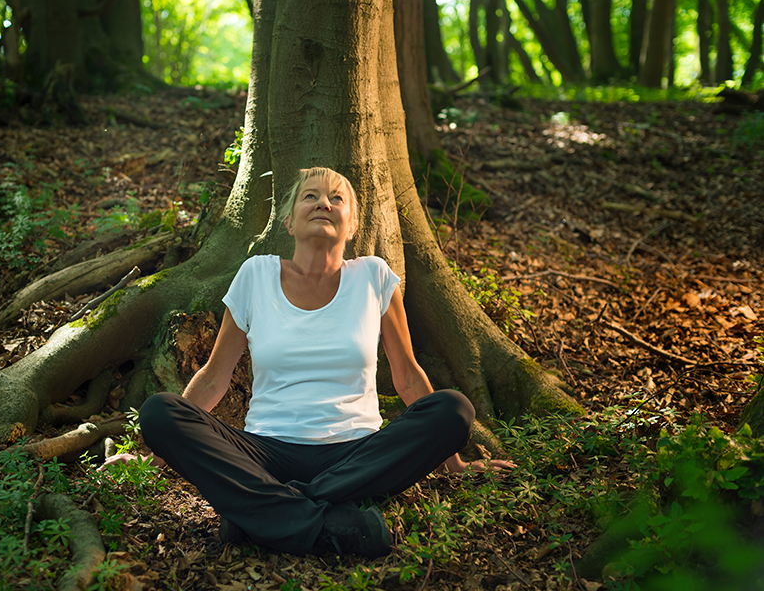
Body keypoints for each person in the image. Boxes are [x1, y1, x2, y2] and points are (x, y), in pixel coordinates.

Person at [106, 167, 512, 557]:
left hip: (356, 452)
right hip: (266, 452)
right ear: (288, 220)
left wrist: (454, 463)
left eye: (337, 198)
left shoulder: (374, 277)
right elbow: (214, 378)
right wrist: (154, 454)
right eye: (310, 196)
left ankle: (259, 516)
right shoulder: (255, 275)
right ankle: (329, 522)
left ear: (351, 225)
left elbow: (407, 377)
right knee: (160, 411)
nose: (324, 202)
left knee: (453, 408)